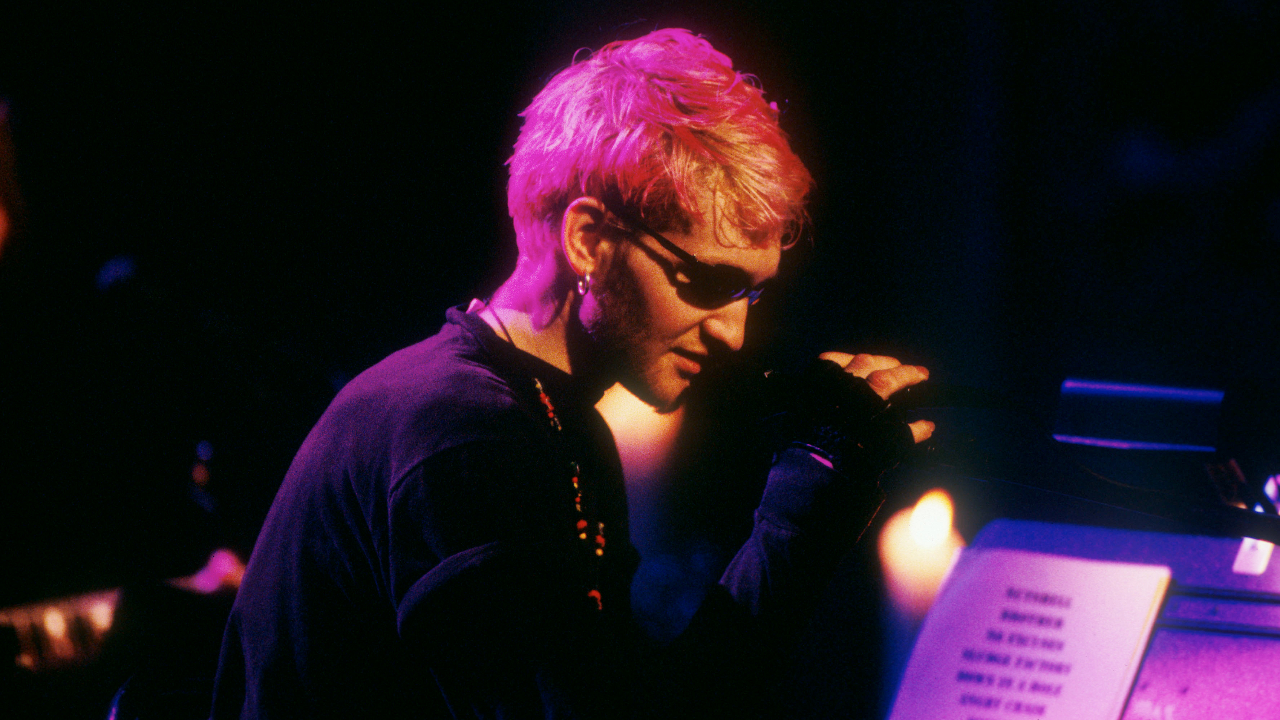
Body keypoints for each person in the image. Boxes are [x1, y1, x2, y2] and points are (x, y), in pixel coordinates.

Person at [211, 28, 933, 719]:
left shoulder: (545, 423)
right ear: (589, 241)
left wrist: (809, 513)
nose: (733, 334)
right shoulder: (462, 435)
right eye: (707, 283)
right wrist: (799, 520)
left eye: (750, 294)